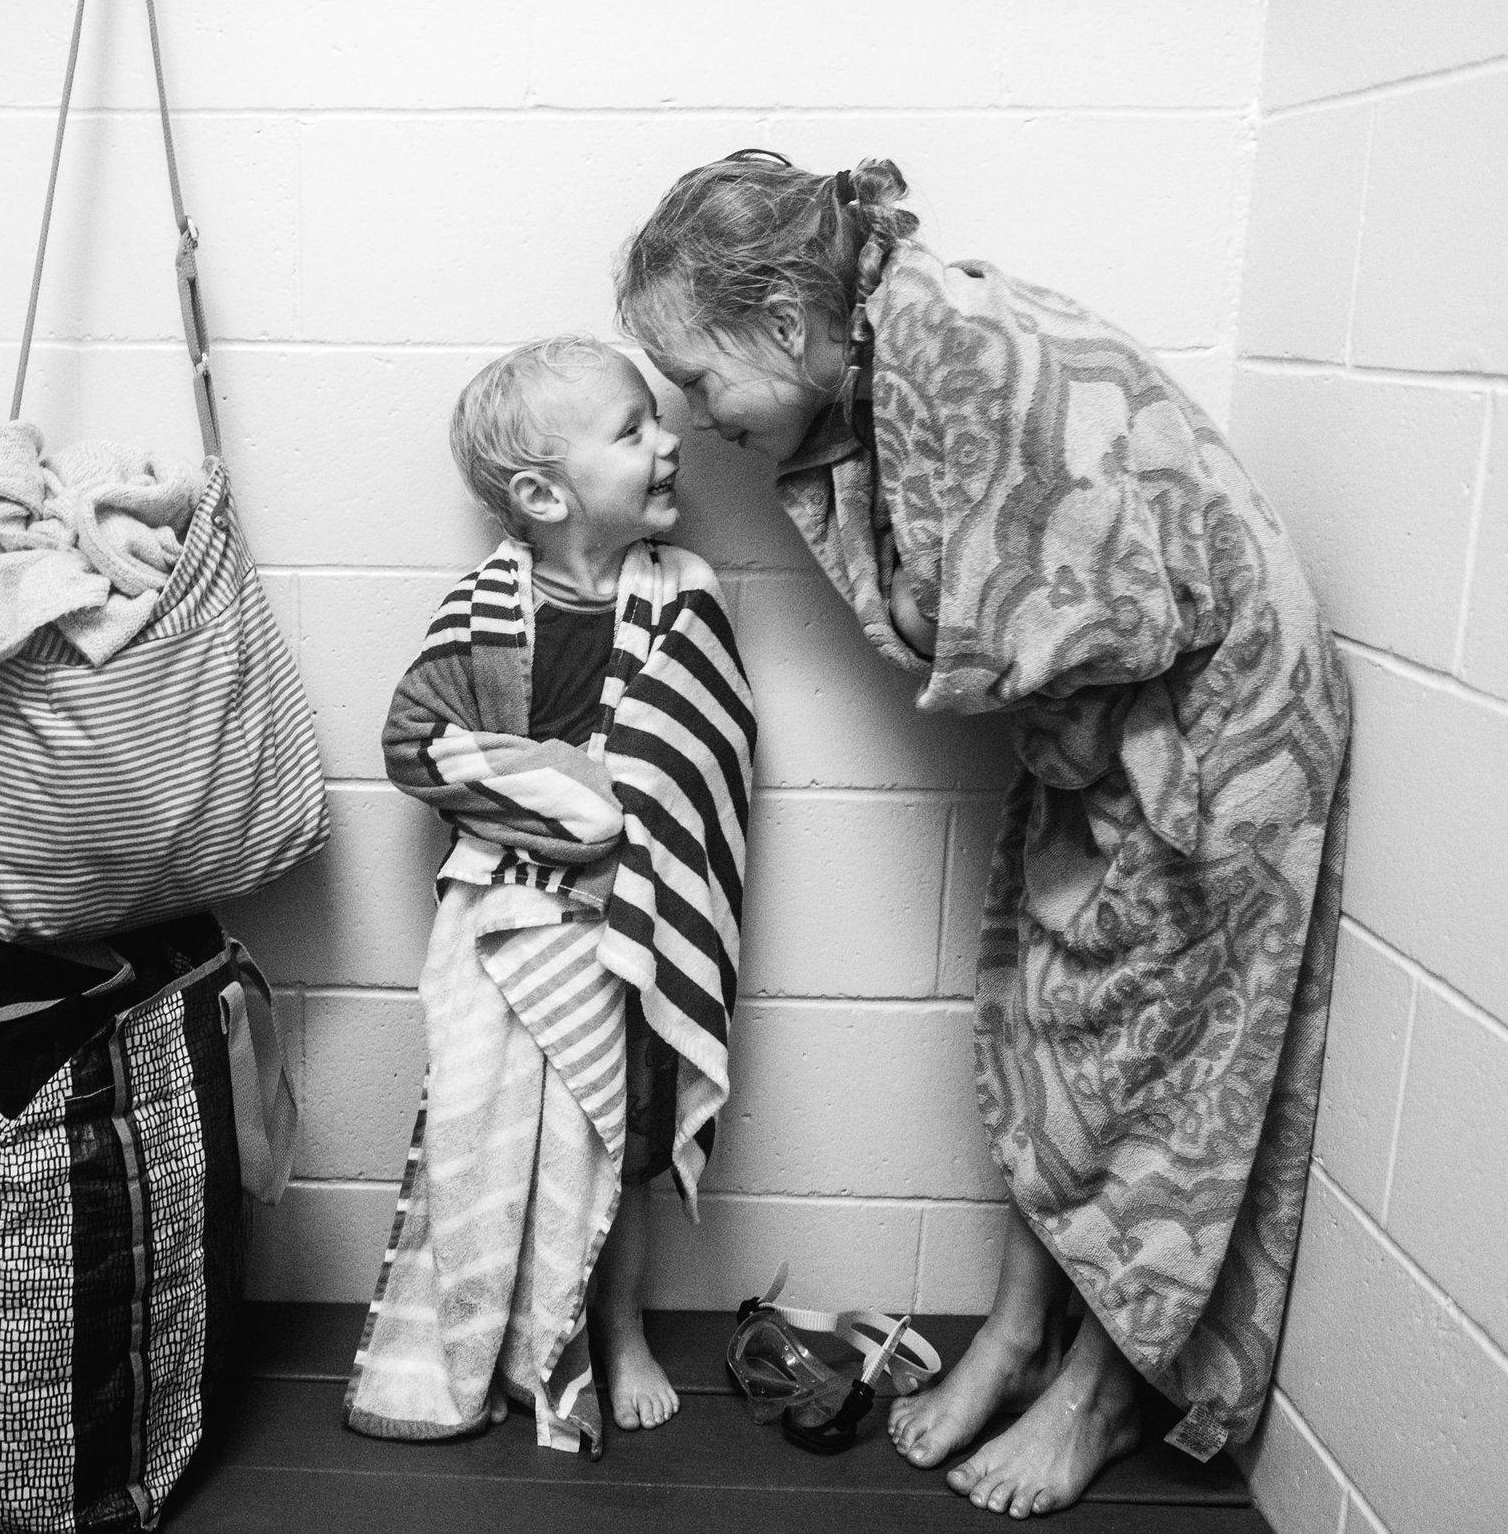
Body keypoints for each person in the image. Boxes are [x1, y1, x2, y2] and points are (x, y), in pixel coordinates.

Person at [616, 152, 1349, 1519]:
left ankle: (1097, 1392)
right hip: (1117, 722)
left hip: (1215, 725)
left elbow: (1114, 596)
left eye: (698, 378)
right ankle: (1017, 1339)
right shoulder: (898, 345)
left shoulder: (956, 350)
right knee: (1051, 1028)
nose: (694, 416)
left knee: (1156, 1070)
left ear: (782, 321)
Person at [343, 336, 755, 1453]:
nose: (669, 441)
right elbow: (419, 745)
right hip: (508, 924)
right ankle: (503, 1333)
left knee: (615, 1133)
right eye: (631, 431)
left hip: (630, 929)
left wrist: (614, 827)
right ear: (540, 491)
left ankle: (616, 1327)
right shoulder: (482, 609)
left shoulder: (685, 601)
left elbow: (697, 766)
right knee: (492, 1128)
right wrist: (560, 798)